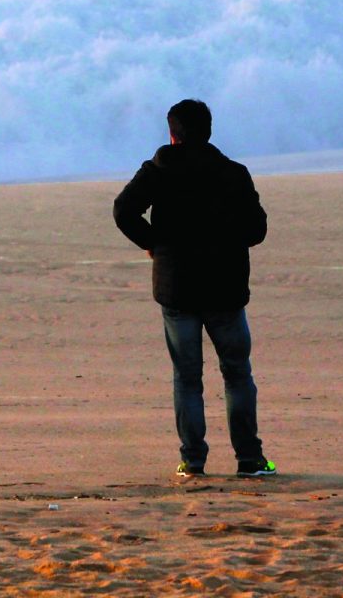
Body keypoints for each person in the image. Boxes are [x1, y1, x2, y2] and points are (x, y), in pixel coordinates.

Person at [112, 98, 277, 480]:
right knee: (237, 373)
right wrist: (224, 240)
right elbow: (257, 230)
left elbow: (123, 210)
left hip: (177, 288)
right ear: (209, 131)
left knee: (187, 377)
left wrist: (153, 243)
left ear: (172, 135)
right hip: (225, 288)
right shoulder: (234, 173)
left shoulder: (158, 171)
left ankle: (193, 461)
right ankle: (249, 459)